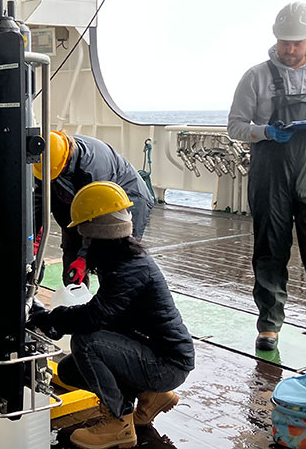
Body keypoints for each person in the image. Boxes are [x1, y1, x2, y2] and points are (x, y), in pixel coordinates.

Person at [227, 1, 306, 357]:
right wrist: (265, 131)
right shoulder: (256, 76)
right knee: (270, 248)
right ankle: (269, 326)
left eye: (296, 41)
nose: (290, 48)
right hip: (271, 172)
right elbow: (235, 126)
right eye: (284, 41)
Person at [27, 181, 194, 449]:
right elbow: (107, 315)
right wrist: (54, 319)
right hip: (152, 351)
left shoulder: (129, 268)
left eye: (85, 234)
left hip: (168, 363)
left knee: (86, 344)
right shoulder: (119, 257)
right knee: (71, 370)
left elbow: (97, 316)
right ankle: (151, 396)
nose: (82, 240)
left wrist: (51, 318)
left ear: (94, 231)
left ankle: (119, 423)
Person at [33, 131, 154, 286]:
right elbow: (38, 202)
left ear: (65, 162)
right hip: (80, 205)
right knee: (72, 255)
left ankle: (114, 302)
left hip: (126, 201)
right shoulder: (47, 160)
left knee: (115, 257)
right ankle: (76, 303)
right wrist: (31, 244)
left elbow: (98, 220)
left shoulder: (92, 169)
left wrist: (84, 258)